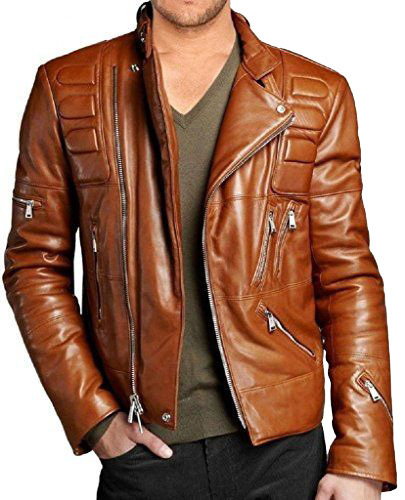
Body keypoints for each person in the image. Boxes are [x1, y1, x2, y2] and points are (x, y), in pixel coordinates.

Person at [3, 1, 396, 498]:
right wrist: (95, 419)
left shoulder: (317, 95)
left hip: (285, 455)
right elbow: (33, 264)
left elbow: (347, 279)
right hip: (144, 456)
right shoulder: (68, 88)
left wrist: (362, 456)